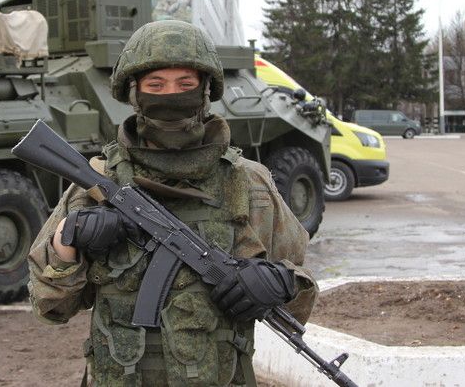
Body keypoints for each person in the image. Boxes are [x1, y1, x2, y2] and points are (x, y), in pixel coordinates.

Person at [28, 21, 317, 387]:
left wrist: (280, 283)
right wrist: (68, 239)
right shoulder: (98, 182)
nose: (171, 96)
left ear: (205, 90)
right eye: (155, 85)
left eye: (185, 84)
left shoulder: (247, 183)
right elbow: (50, 307)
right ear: (134, 93)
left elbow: (299, 293)